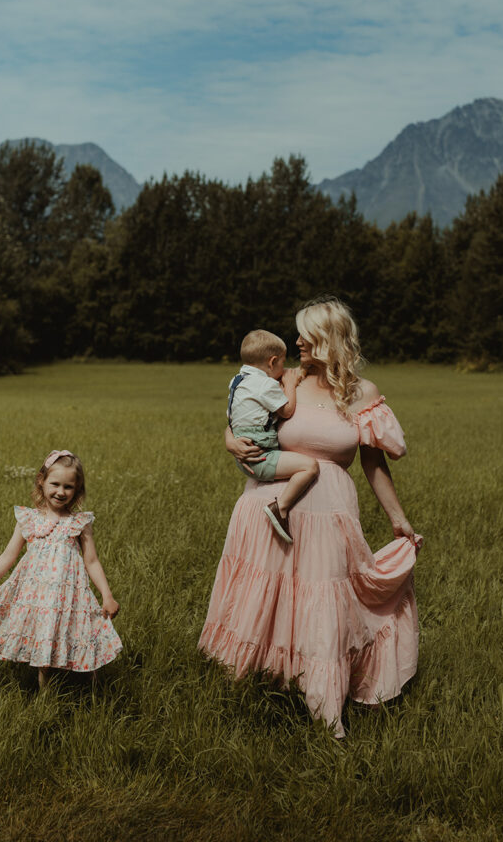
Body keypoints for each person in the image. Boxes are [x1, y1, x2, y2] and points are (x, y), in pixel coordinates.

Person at [199, 297, 423, 738]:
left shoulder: (363, 394)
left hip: (329, 514)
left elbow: (374, 463)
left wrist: (399, 519)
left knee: (323, 604)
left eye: (306, 334)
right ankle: (254, 694)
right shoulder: (285, 381)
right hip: (267, 507)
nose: (297, 340)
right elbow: (240, 416)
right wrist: (229, 441)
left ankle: (324, 708)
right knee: (268, 599)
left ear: (329, 340)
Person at [0, 449, 121, 687]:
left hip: (69, 596)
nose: (60, 492)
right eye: (55, 484)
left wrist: (107, 596)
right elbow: (7, 557)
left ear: (77, 489)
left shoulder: (79, 523)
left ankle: (93, 690)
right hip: (37, 597)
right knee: (43, 647)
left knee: (85, 636)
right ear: (42, 481)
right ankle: (45, 699)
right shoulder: (28, 519)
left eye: (68, 487)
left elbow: (92, 561)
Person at [228, 329, 319, 543]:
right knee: (309, 466)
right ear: (272, 362)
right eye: (282, 364)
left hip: (244, 451)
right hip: (261, 455)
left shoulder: (237, 381)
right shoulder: (265, 384)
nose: (284, 369)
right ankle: (281, 508)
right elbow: (286, 411)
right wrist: (289, 384)